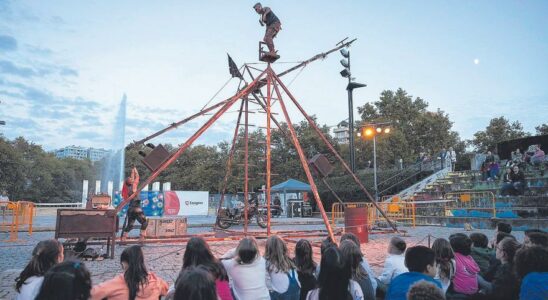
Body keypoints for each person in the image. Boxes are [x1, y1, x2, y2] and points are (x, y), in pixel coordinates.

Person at [90, 245, 168, 300]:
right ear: (142, 261)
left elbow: (91, 295)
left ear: (124, 264)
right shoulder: (156, 282)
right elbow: (167, 290)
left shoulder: (117, 283)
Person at [167, 237, 232, 300]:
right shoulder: (218, 266)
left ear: (187, 253)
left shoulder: (188, 274)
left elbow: (178, 288)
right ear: (207, 250)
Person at [264, 235, 301, 299]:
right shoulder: (290, 262)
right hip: (295, 293)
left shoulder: (268, 264)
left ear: (268, 249)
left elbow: (266, 285)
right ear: (283, 247)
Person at [121, 167, 148, 242]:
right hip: (136, 208)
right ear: (130, 182)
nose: (132, 179)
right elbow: (137, 177)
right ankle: (141, 237)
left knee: (130, 226)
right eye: (131, 179)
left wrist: (132, 171)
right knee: (145, 222)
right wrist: (136, 170)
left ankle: (124, 238)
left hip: (130, 209)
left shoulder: (126, 188)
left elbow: (132, 178)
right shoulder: (134, 186)